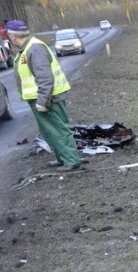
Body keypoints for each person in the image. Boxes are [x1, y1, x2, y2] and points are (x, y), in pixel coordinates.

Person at [5, 20, 81, 171]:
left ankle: (71, 160)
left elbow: (45, 77)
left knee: (58, 129)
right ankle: (62, 158)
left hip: (49, 98)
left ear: (13, 35)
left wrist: (42, 101)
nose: (9, 38)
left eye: (8, 35)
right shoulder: (26, 48)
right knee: (49, 131)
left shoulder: (35, 48)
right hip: (40, 98)